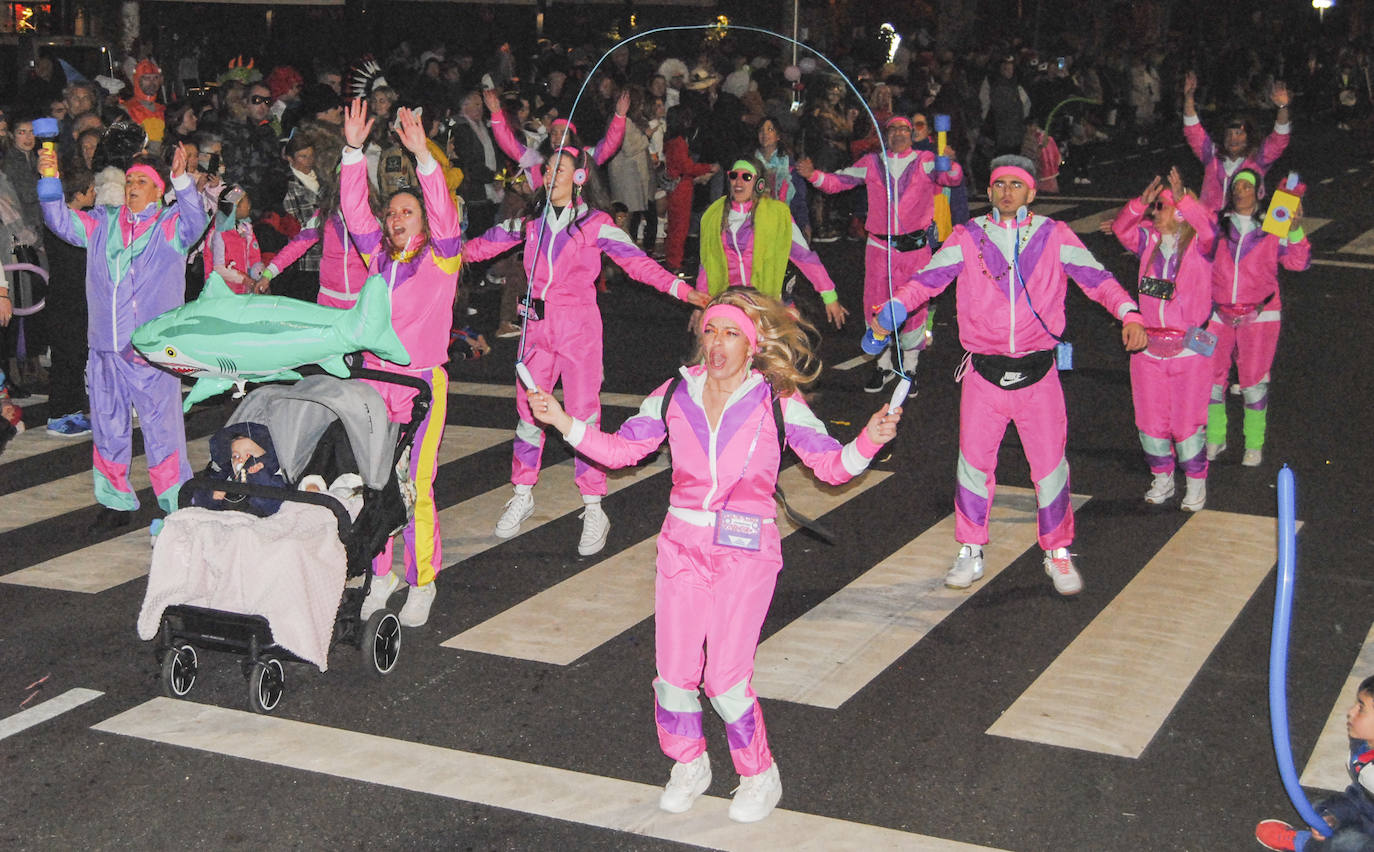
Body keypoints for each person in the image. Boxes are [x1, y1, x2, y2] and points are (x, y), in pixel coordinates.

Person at [525, 288, 901, 823]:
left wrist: (867, 440)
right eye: (711, 331)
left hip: (745, 552)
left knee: (724, 679)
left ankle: (757, 772)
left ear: (751, 343)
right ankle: (689, 763)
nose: (718, 343)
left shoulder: (777, 400)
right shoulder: (676, 391)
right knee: (674, 675)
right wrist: (563, 421)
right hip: (681, 542)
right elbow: (623, 450)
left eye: (731, 334)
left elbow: (831, 467)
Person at [887, 154, 1147, 595]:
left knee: (1049, 469)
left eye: (1016, 184)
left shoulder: (1054, 234)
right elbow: (928, 279)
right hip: (983, 375)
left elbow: (1096, 278)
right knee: (972, 467)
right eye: (999, 184)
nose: (1007, 192)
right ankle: (970, 550)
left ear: (1031, 191)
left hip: (1038, 375)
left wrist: (1129, 312)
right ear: (989, 192)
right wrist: (895, 307)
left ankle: (1058, 551)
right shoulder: (967, 236)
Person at [463, 144, 709, 555]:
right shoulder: (528, 222)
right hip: (536, 330)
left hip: (579, 331)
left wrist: (683, 290)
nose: (553, 173)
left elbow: (637, 262)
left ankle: (594, 505)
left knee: (582, 416)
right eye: (549, 168)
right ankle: (522, 492)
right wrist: (435, 256)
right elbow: (479, 246)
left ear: (580, 177)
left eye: (564, 168)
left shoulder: (597, 223)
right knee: (527, 415)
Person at [39, 143, 208, 533]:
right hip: (104, 349)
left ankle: (173, 500)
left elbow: (196, 220)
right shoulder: (102, 222)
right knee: (108, 427)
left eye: (142, 181)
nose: (132, 186)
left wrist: (182, 180)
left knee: (162, 429)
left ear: (158, 190)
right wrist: (49, 178)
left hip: (150, 352)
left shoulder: (171, 227)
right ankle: (115, 500)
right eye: (129, 179)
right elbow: (58, 221)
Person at [340, 100, 460, 629]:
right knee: (374, 481)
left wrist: (423, 158)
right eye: (391, 213)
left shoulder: (443, 257)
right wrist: (351, 151)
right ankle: (380, 572)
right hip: (373, 385)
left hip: (421, 387)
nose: (395, 219)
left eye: (406, 212)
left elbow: (442, 208)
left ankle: (422, 580)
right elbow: (353, 210)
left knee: (417, 483)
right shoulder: (377, 258)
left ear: (425, 221)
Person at [800, 114, 965, 391]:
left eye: (904, 129)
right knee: (876, 304)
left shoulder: (926, 160)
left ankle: (910, 367)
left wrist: (949, 160)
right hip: (880, 248)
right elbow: (836, 182)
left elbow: (951, 179)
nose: (898, 134)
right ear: (885, 135)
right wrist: (811, 175)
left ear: (912, 134)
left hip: (915, 248)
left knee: (914, 306)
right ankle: (884, 364)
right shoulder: (872, 163)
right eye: (893, 130)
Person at [1111, 168, 1217, 511]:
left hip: (1189, 350)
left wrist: (1184, 196)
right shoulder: (1148, 243)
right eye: (1153, 208)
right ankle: (1162, 478)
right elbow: (1120, 229)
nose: (1154, 213)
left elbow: (1210, 228)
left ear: (1182, 213)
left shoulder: (1201, 247)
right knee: (1150, 422)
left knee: (1186, 423)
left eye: (1161, 207)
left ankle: (1196, 483)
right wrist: (1138, 204)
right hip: (1148, 350)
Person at [1204, 168, 1310, 468]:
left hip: (1261, 314)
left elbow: (1298, 263)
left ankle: (1254, 443)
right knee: (1210, 381)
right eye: (1236, 185)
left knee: (1253, 383)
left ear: (1258, 192)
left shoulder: (1273, 224)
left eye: (1247, 186)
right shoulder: (1216, 225)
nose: (1240, 190)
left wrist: (1295, 229)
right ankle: (1215, 436)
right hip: (1217, 313)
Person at [696, 158, 846, 329]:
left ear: (759, 184)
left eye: (746, 177)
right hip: (727, 303)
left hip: (765, 304)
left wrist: (829, 296)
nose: (738, 182)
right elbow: (706, 264)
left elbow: (805, 257)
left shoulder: (777, 215)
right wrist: (701, 305)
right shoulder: (713, 215)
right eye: (733, 176)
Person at [1255, 674, 1374, 851]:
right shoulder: (1363, 746)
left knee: (1347, 843)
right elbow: (1361, 798)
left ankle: (1307, 844)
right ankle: (1314, 843)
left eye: (1361, 708)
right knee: (1321, 811)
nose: (1351, 712)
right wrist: (1334, 816)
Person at [1183, 71, 1291, 211]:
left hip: (1245, 227)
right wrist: (1189, 98)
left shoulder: (1258, 160)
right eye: (1229, 134)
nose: (1233, 139)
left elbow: (1279, 140)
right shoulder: (1211, 156)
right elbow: (1193, 131)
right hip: (1210, 227)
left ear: (1249, 137)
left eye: (1239, 133)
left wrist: (1282, 108)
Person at [43, 167, 95, 437]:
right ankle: (57, 414)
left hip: (80, 298)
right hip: (65, 298)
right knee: (65, 357)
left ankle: (74, 410)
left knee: (77, 356)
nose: (95, 193)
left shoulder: (83, 219)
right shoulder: (60, 222)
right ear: (79, 194)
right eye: (91, 188)